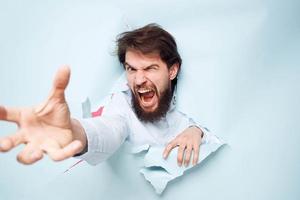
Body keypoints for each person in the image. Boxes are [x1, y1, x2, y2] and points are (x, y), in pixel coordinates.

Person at [0, 23, 209, 167]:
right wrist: (72, 132)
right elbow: (109, 129)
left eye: (150, 68)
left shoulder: (193, 105)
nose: (138, 80)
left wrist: (196, 130)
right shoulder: (121, 104)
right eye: (131, 69)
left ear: (172, 71)